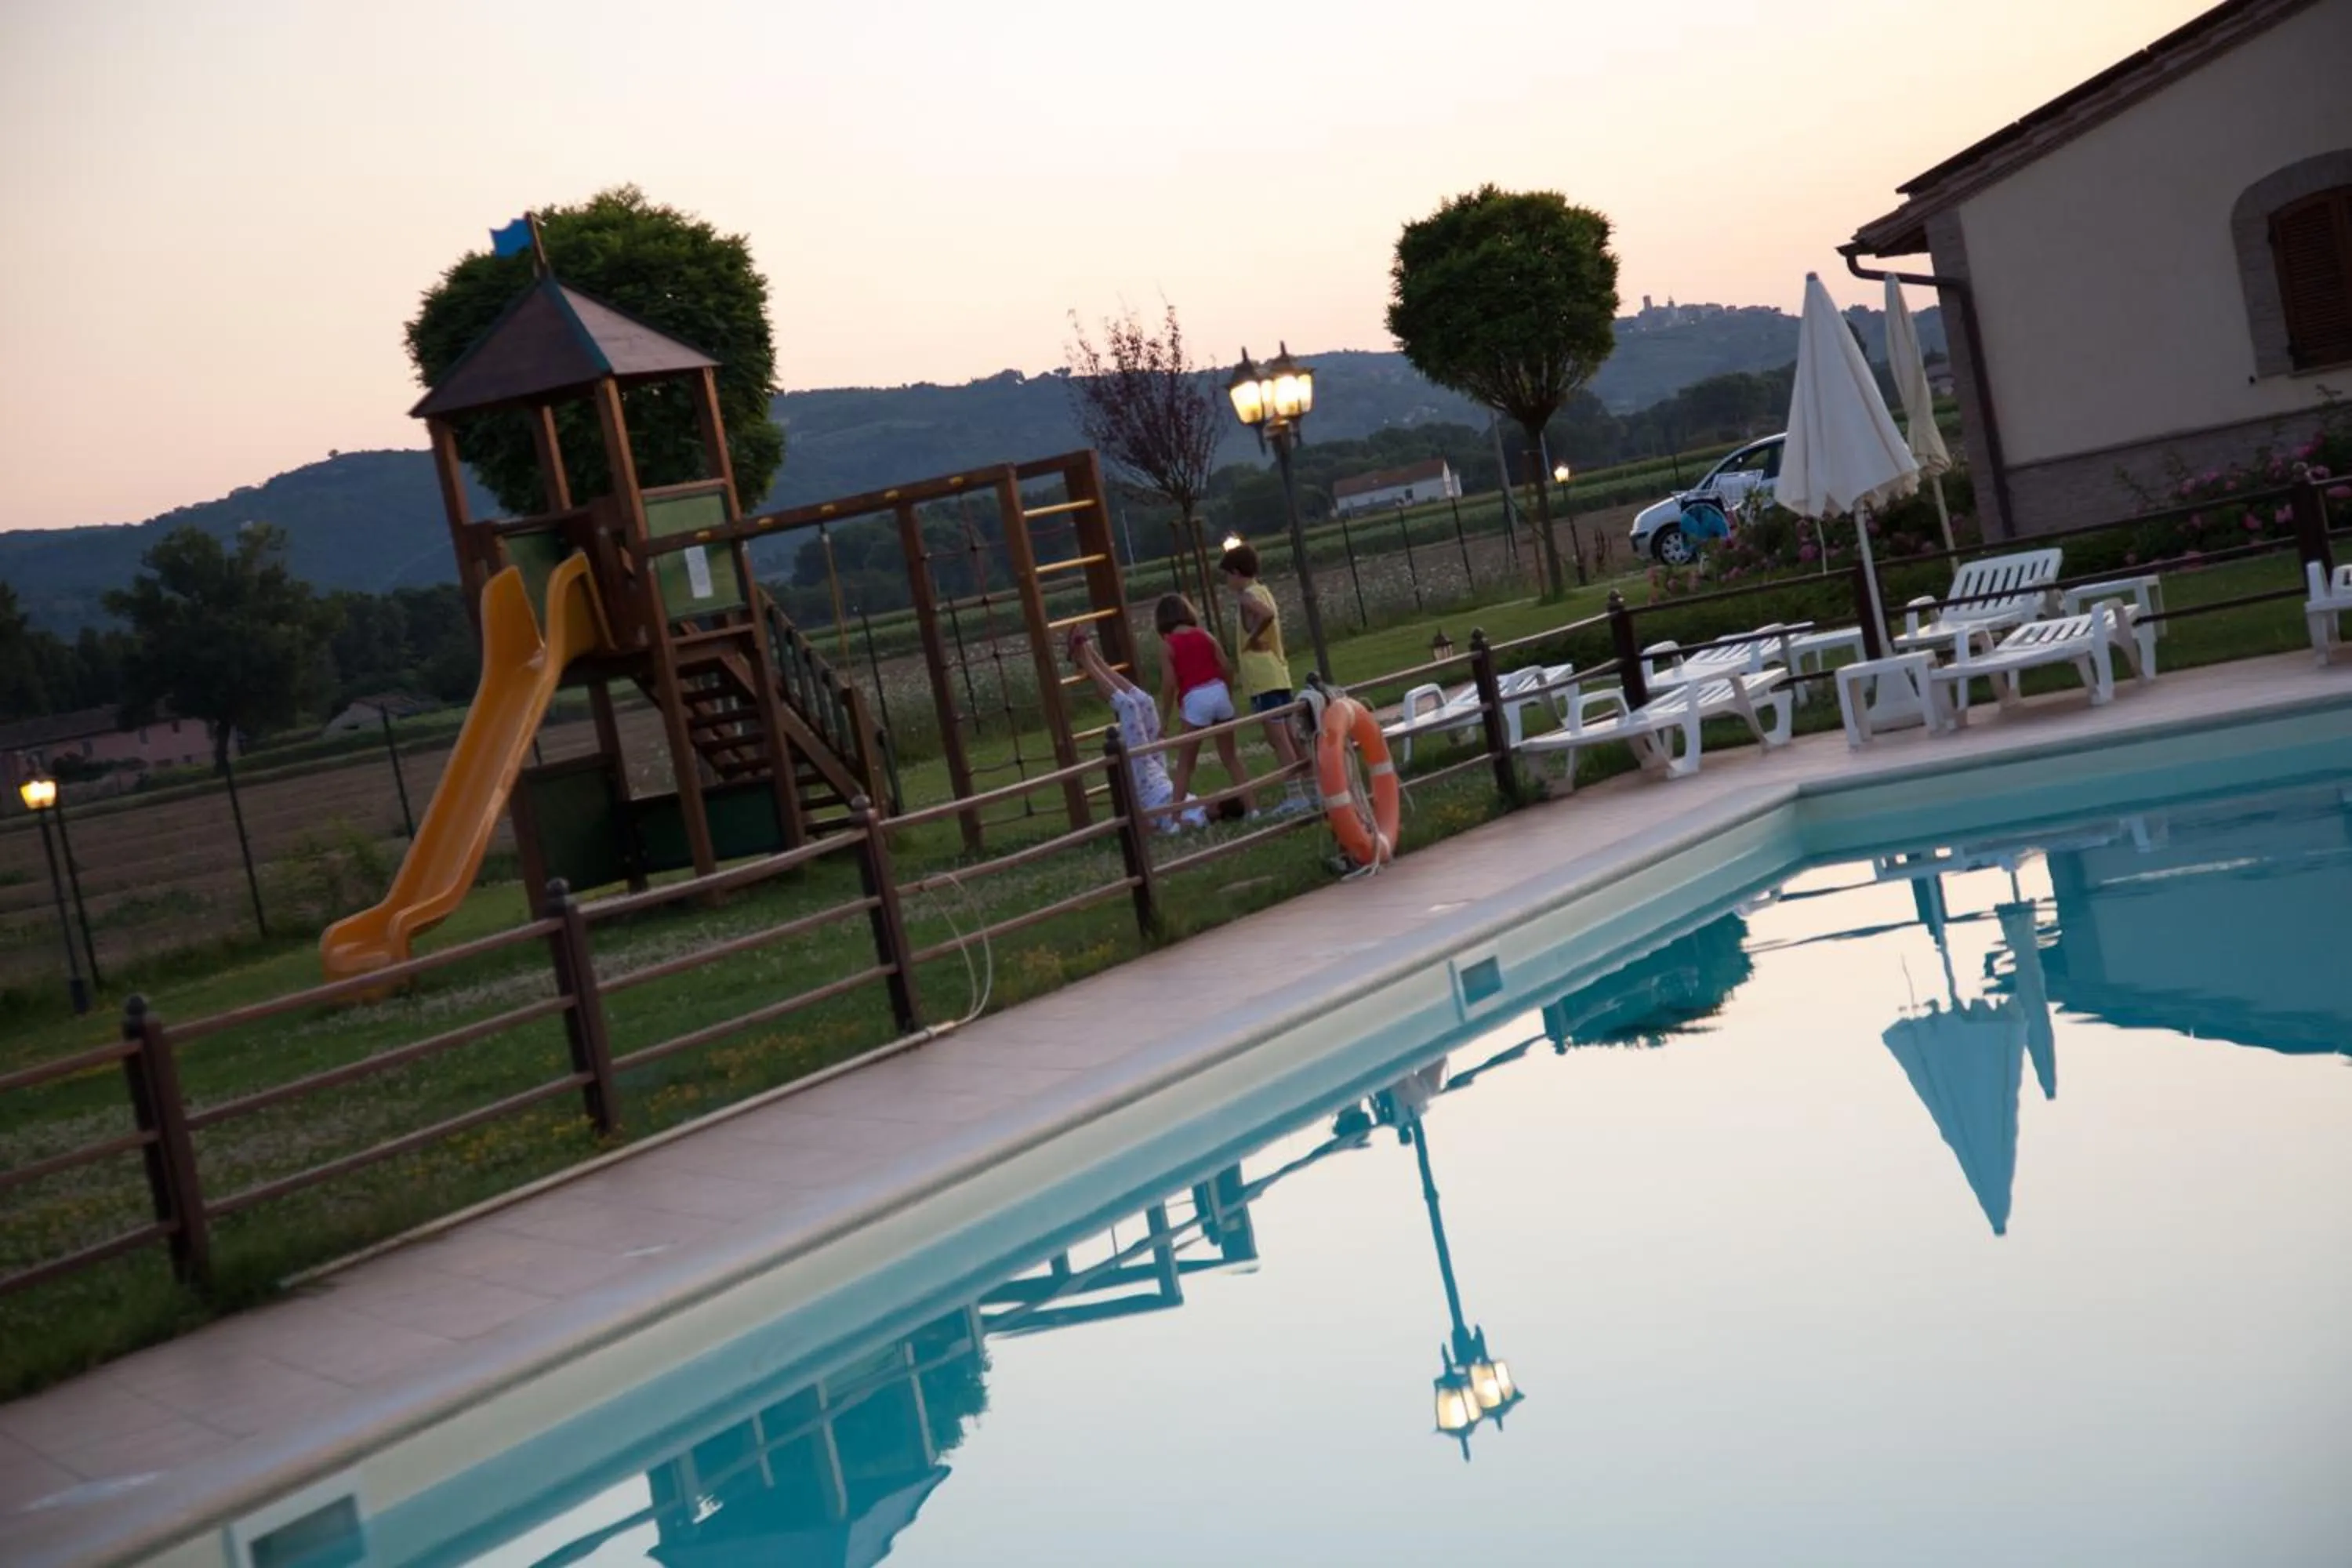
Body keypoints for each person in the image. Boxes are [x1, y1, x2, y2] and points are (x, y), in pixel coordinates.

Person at [1067, 626, 1212, 833]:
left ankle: (1086, 661)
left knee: (1129, 707)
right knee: (1146, 702)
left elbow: (1154, 828)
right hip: (1159, 776)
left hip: (1144, 789)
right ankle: (1096, 659)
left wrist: (1142, 817)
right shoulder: (1202, 807)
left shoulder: (1195, 822)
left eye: (1220, 801)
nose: (1217, 796)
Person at [1218, 544, 1311, 815]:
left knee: (1278, 739)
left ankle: (1296, 795)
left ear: (1237, 572)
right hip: (1278, 671)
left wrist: (1254, 636)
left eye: (1227, 575)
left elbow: (1266, 615)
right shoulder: (1264, 590)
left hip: (1262, 677)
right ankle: (1314, 788)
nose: (1226, 582)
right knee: (1293, 737)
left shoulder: (1247, 596)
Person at [1153, 593, 1255, 811]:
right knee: (1230, 757)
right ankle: (1253, 808)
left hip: (1194, 698)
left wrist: (1165, 720)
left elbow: (1169, 684)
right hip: (1218, 692)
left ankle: (1175, 820)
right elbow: (1227, 668)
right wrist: (1226, 695)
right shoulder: (1206, 636)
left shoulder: (1168, 645)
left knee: (1185, 764)